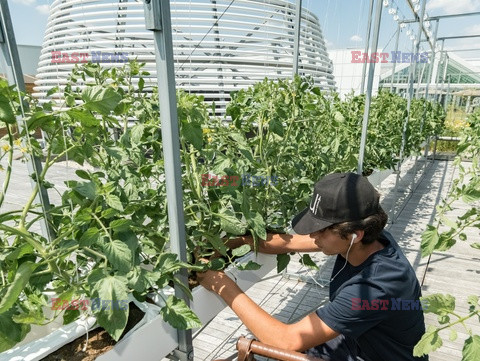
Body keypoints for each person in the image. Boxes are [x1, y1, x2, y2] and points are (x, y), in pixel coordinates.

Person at [197, 172, 427, 361]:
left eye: (320, 229)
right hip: (358, 339)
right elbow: (291, 243)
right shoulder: (368, 238)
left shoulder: (375, 286)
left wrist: (220, 283)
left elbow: (285, 340)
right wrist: (241, 241)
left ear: (354, 235)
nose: (312, 234)